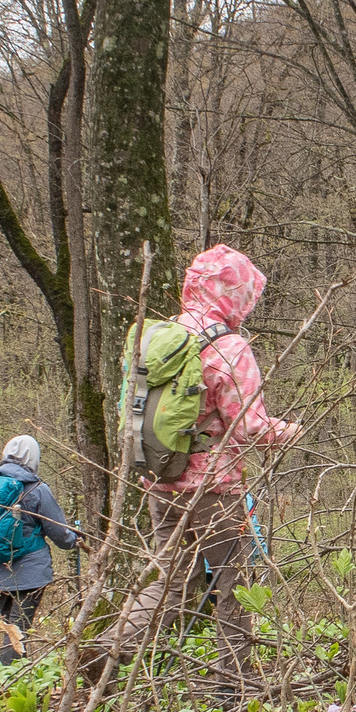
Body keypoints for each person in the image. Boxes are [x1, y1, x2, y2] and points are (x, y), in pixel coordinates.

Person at [101, 245, 301, 680]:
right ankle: (235, 683)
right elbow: (250, 427)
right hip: (214, 488)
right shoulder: (229, 347)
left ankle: (109, 650)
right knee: (234, 584)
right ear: (237, 295)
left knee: (171, 581)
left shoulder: (159, 339)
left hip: (159, 478)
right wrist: (289, 431)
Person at [0, 435, 82, 665]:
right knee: (18, 630)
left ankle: (15, 676)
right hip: (30, 573)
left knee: (10, 627)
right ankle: (8, 677)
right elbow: (60, 534)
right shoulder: (38, 489)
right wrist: (75, 539)